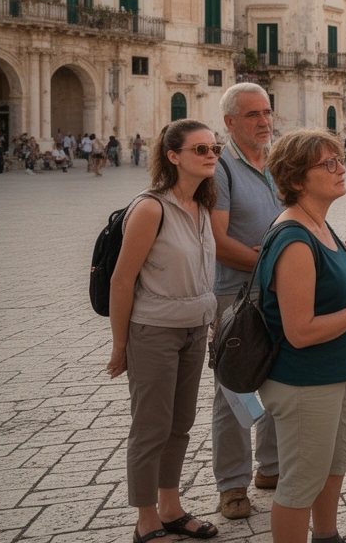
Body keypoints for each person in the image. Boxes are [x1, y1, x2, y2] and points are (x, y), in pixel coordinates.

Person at [258, 130, 346, 543]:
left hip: (335, 372)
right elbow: (299, 332)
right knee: (301, 480)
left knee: (334, 463)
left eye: (341, 158)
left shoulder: (319, 224)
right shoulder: (294, 238)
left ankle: (327, 535)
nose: (342, 169)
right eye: (329, 163)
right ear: (298, 179)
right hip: (303, 379)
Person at [106, 120, 221, 543]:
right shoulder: (150, 207)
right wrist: (121, 346)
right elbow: (122, 280)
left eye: (214, 149)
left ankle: (171, 507)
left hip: (195, 327)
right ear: (173, 156)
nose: (211, 155)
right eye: (200, 149)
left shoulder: (204, 206)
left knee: (180, 424)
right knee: (151, 426)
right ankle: (146, 519)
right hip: (153, 331)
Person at [209, 83, 283, 519]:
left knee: (278, 381)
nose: (263, 121)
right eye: (252, 114)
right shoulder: (221, 169)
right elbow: (219, 241)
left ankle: (270, 468)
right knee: (236, 390)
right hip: (236, 293)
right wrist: (273, 261)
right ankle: (232, 485)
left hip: (280, 290)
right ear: (230, 122)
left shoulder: (277, 163)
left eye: (267, 112)